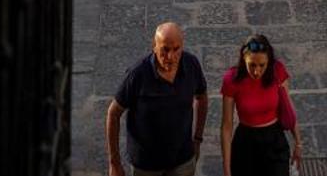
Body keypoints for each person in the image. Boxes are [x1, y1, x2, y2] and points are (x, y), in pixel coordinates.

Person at [107, 21, 208, 176]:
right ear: (154, 46)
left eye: (176, 49)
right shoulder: (138, 74)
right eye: (165, 49)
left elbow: (201, 97)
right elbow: (113, 113)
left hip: (182, 159)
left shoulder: (191, 65)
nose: (171, 56)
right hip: (146, 165)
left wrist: (197, 139)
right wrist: (114, 162)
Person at [219, 35, 301, 176]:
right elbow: (226, 126)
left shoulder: (277, 71)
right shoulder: (231, 80)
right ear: (243, 59)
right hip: (246, 143)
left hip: (274, 140)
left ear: (269, 61)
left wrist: (298, 143)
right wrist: (227, 169)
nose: (257, 71)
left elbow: (288, 108)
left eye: (262, 65)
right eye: (252, 65)